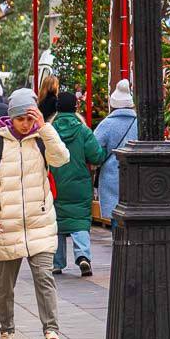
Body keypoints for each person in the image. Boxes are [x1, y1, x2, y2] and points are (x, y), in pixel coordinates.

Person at [0, 87, 71, 339]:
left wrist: (45, 128)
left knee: (45, 279)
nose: (26, 124)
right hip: (6, 226)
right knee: (5, 286)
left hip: (39, 222)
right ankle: (7, 332)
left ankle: (51, 332)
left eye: (30, 118)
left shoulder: (41, 139)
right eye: (21, 119)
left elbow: (62, 158)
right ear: (11, 118)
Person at [49, 91, 105, 276]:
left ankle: (57, 263)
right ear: (75, 107)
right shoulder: (83, 131)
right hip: (79, 185)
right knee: (80, 221)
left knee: (56, 222)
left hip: (55, 184)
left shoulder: (49, 130)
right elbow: (96, 155)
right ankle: (83, 257)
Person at [91, 79, 137, 221]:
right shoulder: (139, 123)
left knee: (116, 217)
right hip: (136, 176)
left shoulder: (106, 124)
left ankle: (117, 242)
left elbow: (94, 149)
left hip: (112, 177)